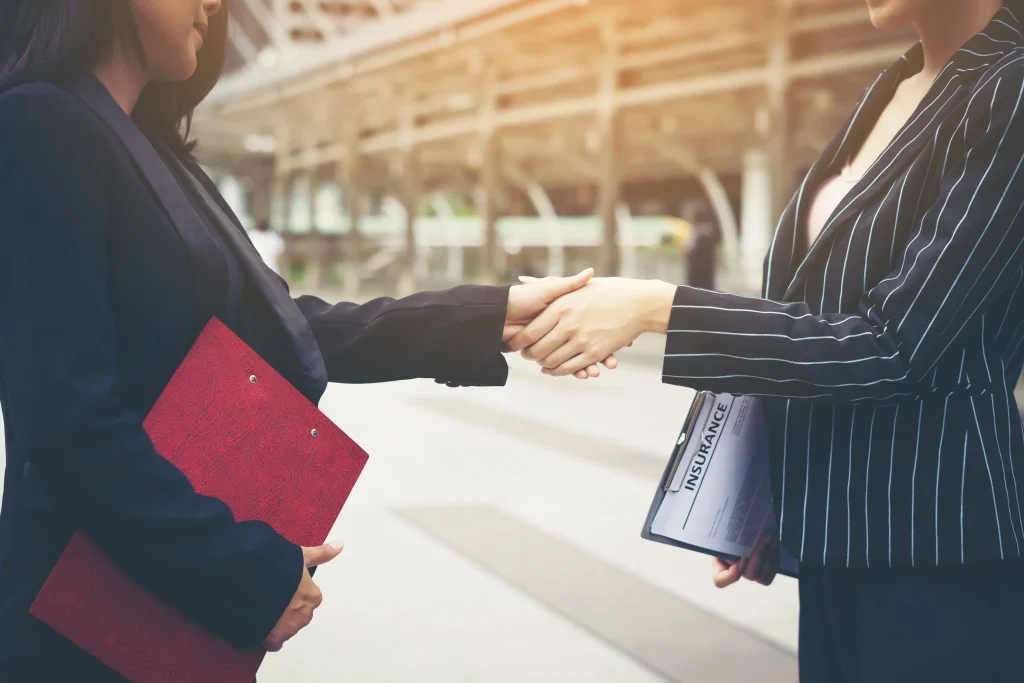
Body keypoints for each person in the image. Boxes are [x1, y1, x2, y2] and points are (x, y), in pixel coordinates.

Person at [0, 2, 618, 680]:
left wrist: (487, 314)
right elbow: (67, 427)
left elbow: (278, 326)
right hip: (79, 633)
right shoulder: (40, 125)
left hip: (151, 623)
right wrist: (248, 572)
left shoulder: (150, 149)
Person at [507, 1, 1024, 680]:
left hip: (933, 545)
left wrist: (659, 307)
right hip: (834, 543)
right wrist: (772, 491)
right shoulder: (891, 86)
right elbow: (809, 306)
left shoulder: (1009, 91)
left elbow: (892, 345)